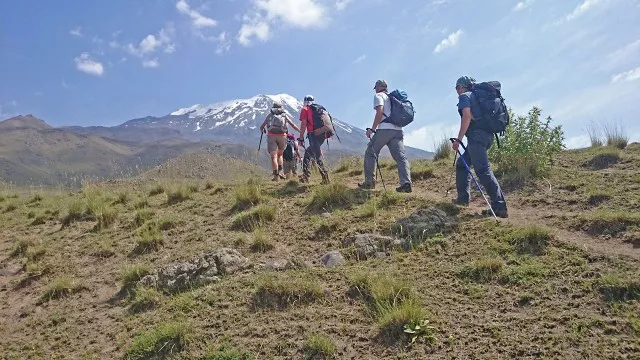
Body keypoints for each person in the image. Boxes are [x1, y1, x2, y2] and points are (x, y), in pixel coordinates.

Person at [452, 76, 508, 218]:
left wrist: (458, 140)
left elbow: (467, 117)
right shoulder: (478, 97)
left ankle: (499, 207)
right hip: (487, 136)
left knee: (483, 170)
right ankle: (463, 199)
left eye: (456, 87)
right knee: (462, 164)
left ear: (461, 87)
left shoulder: (465, 96)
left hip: (477, 137)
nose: (457, 91)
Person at [358, 80, 412, 193]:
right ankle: (406, 183)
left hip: (385, 129)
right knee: (401, 157)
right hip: (398, 130)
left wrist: (372, 129)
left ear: (377, 88)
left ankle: (369, 183)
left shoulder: (379, 96)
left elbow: (379, 112)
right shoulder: (393, 98)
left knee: (370, 152)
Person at [259, 101, 300, 181]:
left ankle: (276, 176)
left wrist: (263, 130)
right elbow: (293, 125)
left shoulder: (270, 115)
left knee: (273, 156)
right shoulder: (284, 115)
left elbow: (262, 127)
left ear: (273, 107)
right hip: (283, 136)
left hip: (271, 136)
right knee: (280, 155)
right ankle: (280, 171)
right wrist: (300, 131)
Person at [298, 95, 330, 184]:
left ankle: (326, 178)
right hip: (322, 135)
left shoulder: (305, 109)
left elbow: (304, 124)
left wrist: (301, 138)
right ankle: (305, 177)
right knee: (308, 154)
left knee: (317, 156)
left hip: (314, 135)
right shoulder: (320, 109)